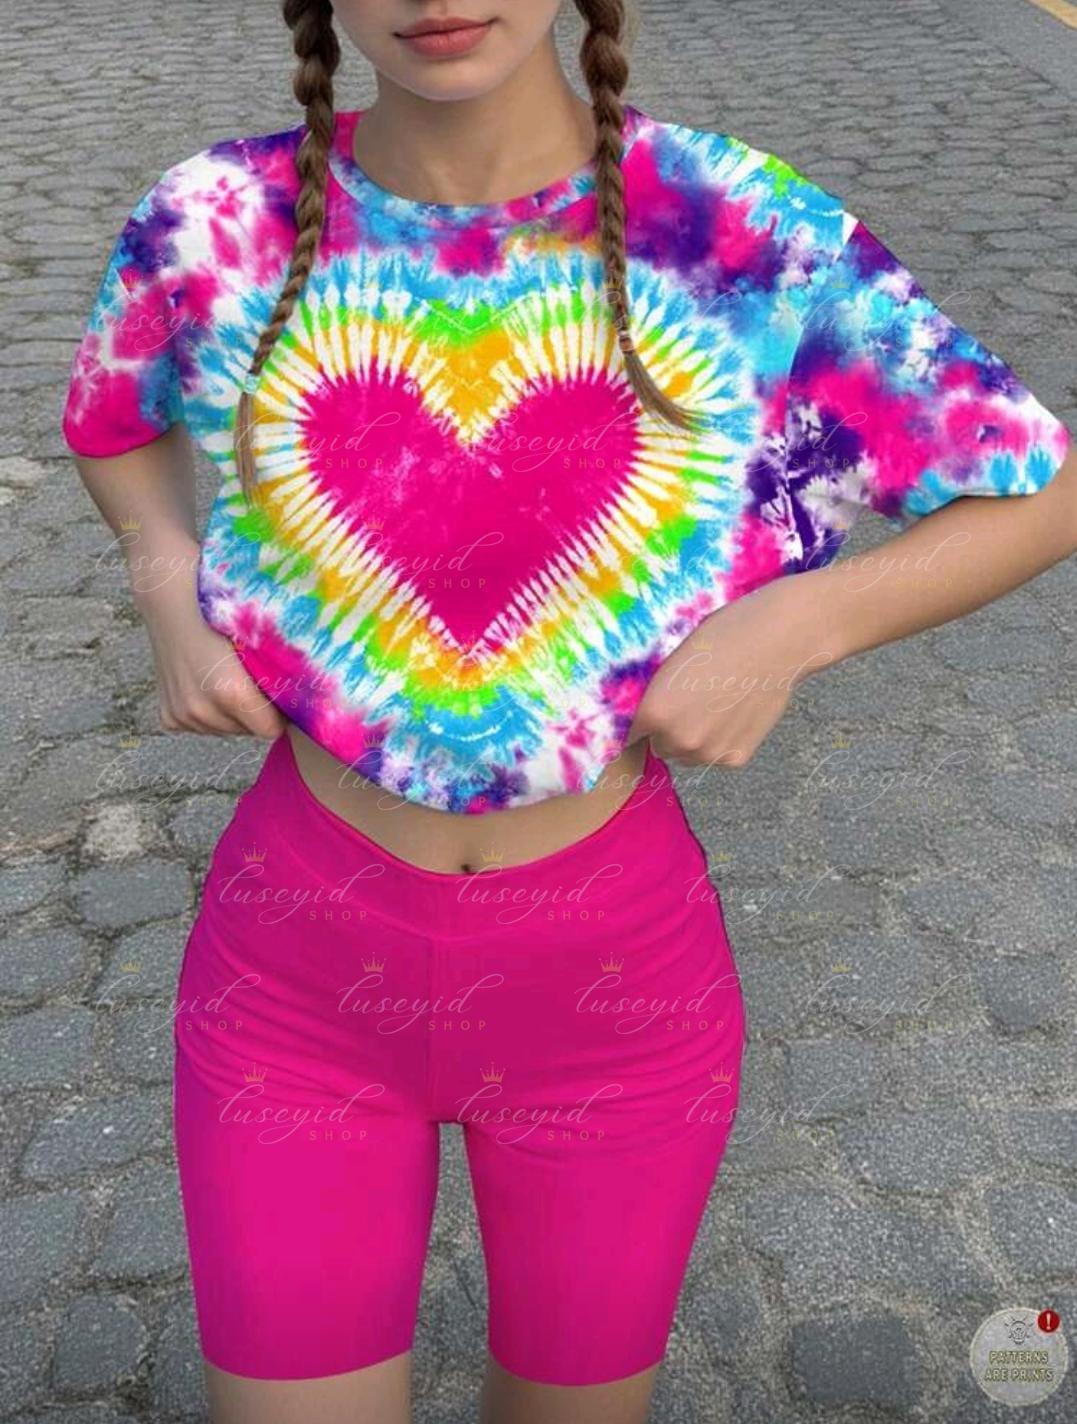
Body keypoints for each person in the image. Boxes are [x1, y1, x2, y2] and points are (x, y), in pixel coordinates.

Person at [60, 3, 1075, 1422]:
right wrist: (166, 580)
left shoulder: (735, 225)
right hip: (294, 981)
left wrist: (795, 625)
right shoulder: (213, 219)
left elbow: (1037, 486)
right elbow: (114, 422)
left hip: (615, 996)